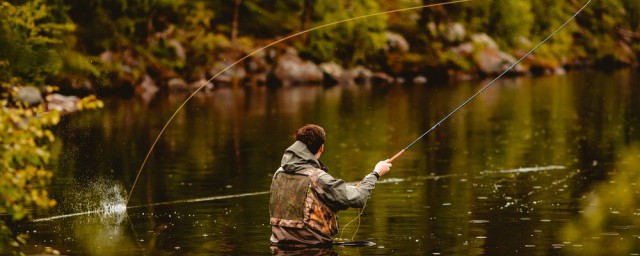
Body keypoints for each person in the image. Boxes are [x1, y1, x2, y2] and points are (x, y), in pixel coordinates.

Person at [269, 124, 392, 248]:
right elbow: (358, 198)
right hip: (313, 248)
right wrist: (375, 174)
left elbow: (311, 194)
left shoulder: (279, 173)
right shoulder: (318, 177)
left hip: (278, 246)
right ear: (321, 148)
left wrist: (348, 189)